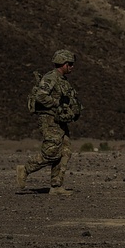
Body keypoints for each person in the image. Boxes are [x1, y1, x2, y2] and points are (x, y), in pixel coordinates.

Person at [17, 49, 83, 194]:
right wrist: (57, 104)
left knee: (65, 152)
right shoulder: (51, 78)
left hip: (60, 121)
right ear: (63, 63)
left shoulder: (62, 80)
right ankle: (25, 169)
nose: (72, 67)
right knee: (51, 153)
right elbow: (41, 96)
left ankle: (56, 185)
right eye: (70, 64)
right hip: (49, 120)